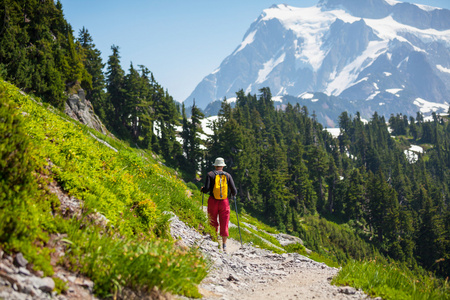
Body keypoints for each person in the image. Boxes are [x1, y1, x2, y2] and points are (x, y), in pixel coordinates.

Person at [201, 157, 237, 253]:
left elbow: (207, 188)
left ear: (215, 165)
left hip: (213, 201)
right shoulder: (228, 176)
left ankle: (214, 240)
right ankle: (224, 245)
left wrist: (202, 189)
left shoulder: (210, 174)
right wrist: (232, 195)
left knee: (212, 220)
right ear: (222, 166)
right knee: (224, 222)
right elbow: (234, 191)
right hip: (224, 202)